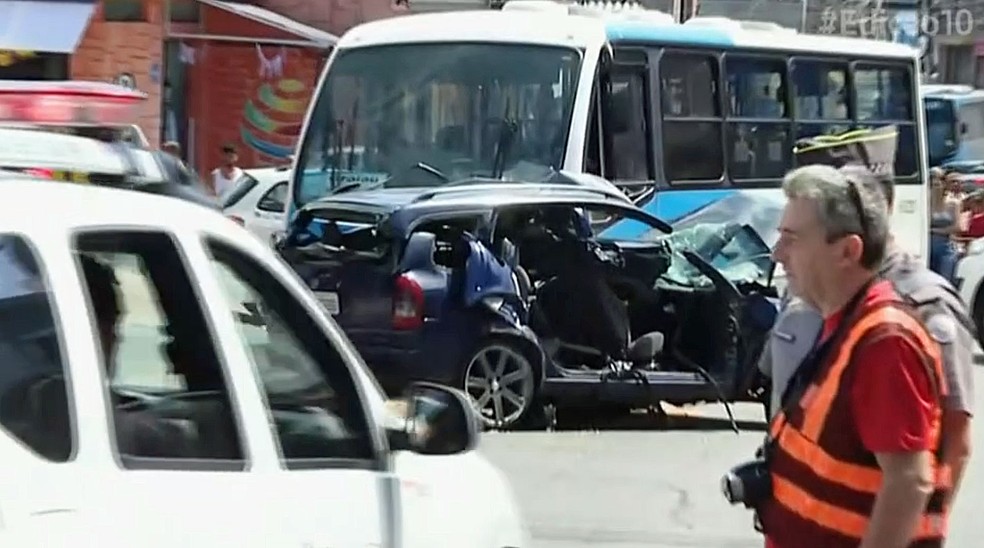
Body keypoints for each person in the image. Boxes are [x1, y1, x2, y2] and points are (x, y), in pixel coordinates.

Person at [759, 165, 976, 510]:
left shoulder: (921, 304)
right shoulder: (820, 292)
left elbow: (954, 439)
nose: (778, 253)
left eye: (793, 237)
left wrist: (917, 532)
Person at [930, 168, 961, 280]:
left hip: (945, 248)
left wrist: (933, 231)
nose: (937, 184)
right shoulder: (925, 204)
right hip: (928, 248)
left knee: (945, 280)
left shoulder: (954, 203)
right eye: (933, 182)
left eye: (939, 181)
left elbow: (957, 227)